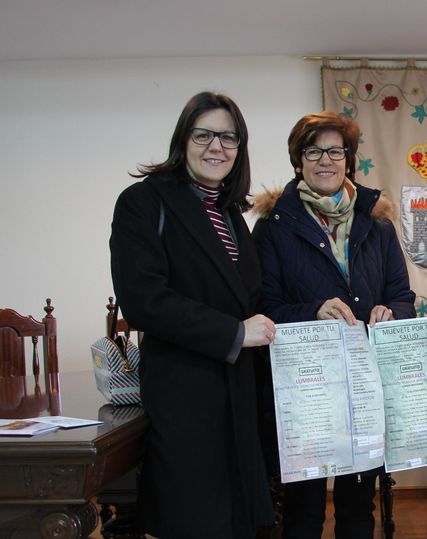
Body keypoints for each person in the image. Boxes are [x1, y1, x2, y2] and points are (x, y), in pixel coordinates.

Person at [110, 91, 276, 538]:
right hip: (186, 391)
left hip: (237, 391)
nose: (216, 146)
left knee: (237, 521)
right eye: (203, 134)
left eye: (228, 137)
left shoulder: (230, 213)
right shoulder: (143, 202)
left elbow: (251, 299)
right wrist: (233, 332)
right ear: (182, 140)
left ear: (240, 148)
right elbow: (141, 299)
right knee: (194, 519)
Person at [252, 111, 416, 538]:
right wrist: (312, 311)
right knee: (304, 511)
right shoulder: (272, 229)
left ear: (349, 160)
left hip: (364, 387)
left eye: (335, 151)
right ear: (299, 159)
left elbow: (403, 296)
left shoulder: (377, 224)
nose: (325, 160)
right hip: (306, 393)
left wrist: (391, 312)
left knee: (359, 508)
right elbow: (261, 308)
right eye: (313, 151)